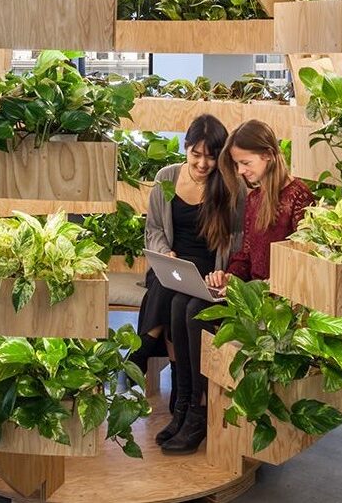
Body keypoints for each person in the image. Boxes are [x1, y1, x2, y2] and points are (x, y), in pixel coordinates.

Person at [159, 120, 315, 455]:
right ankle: (186, 404)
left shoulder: (299, 196)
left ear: (269, 155)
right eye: (237, 164)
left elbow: (304, 264)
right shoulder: (256, 198)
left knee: (196, 312)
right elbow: (244, 255)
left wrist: (257, 286)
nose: (241, 172)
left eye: (246, 163)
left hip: (278, 301)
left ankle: (199, 410)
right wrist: (227, 276)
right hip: (250, 292)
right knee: (181, 303)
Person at [130, 114, 243, 449]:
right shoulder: (166, 178)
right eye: (196, 154)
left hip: (209, 273)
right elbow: (153, 229)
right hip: (172, 262)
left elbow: (237, 242)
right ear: (186, 147)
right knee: (169, 284)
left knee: (176, 296)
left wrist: (223, 274)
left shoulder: (230, 187)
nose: (203, 164)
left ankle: (142, 353)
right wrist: (166, 253)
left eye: (211, 156)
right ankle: (183, 403)